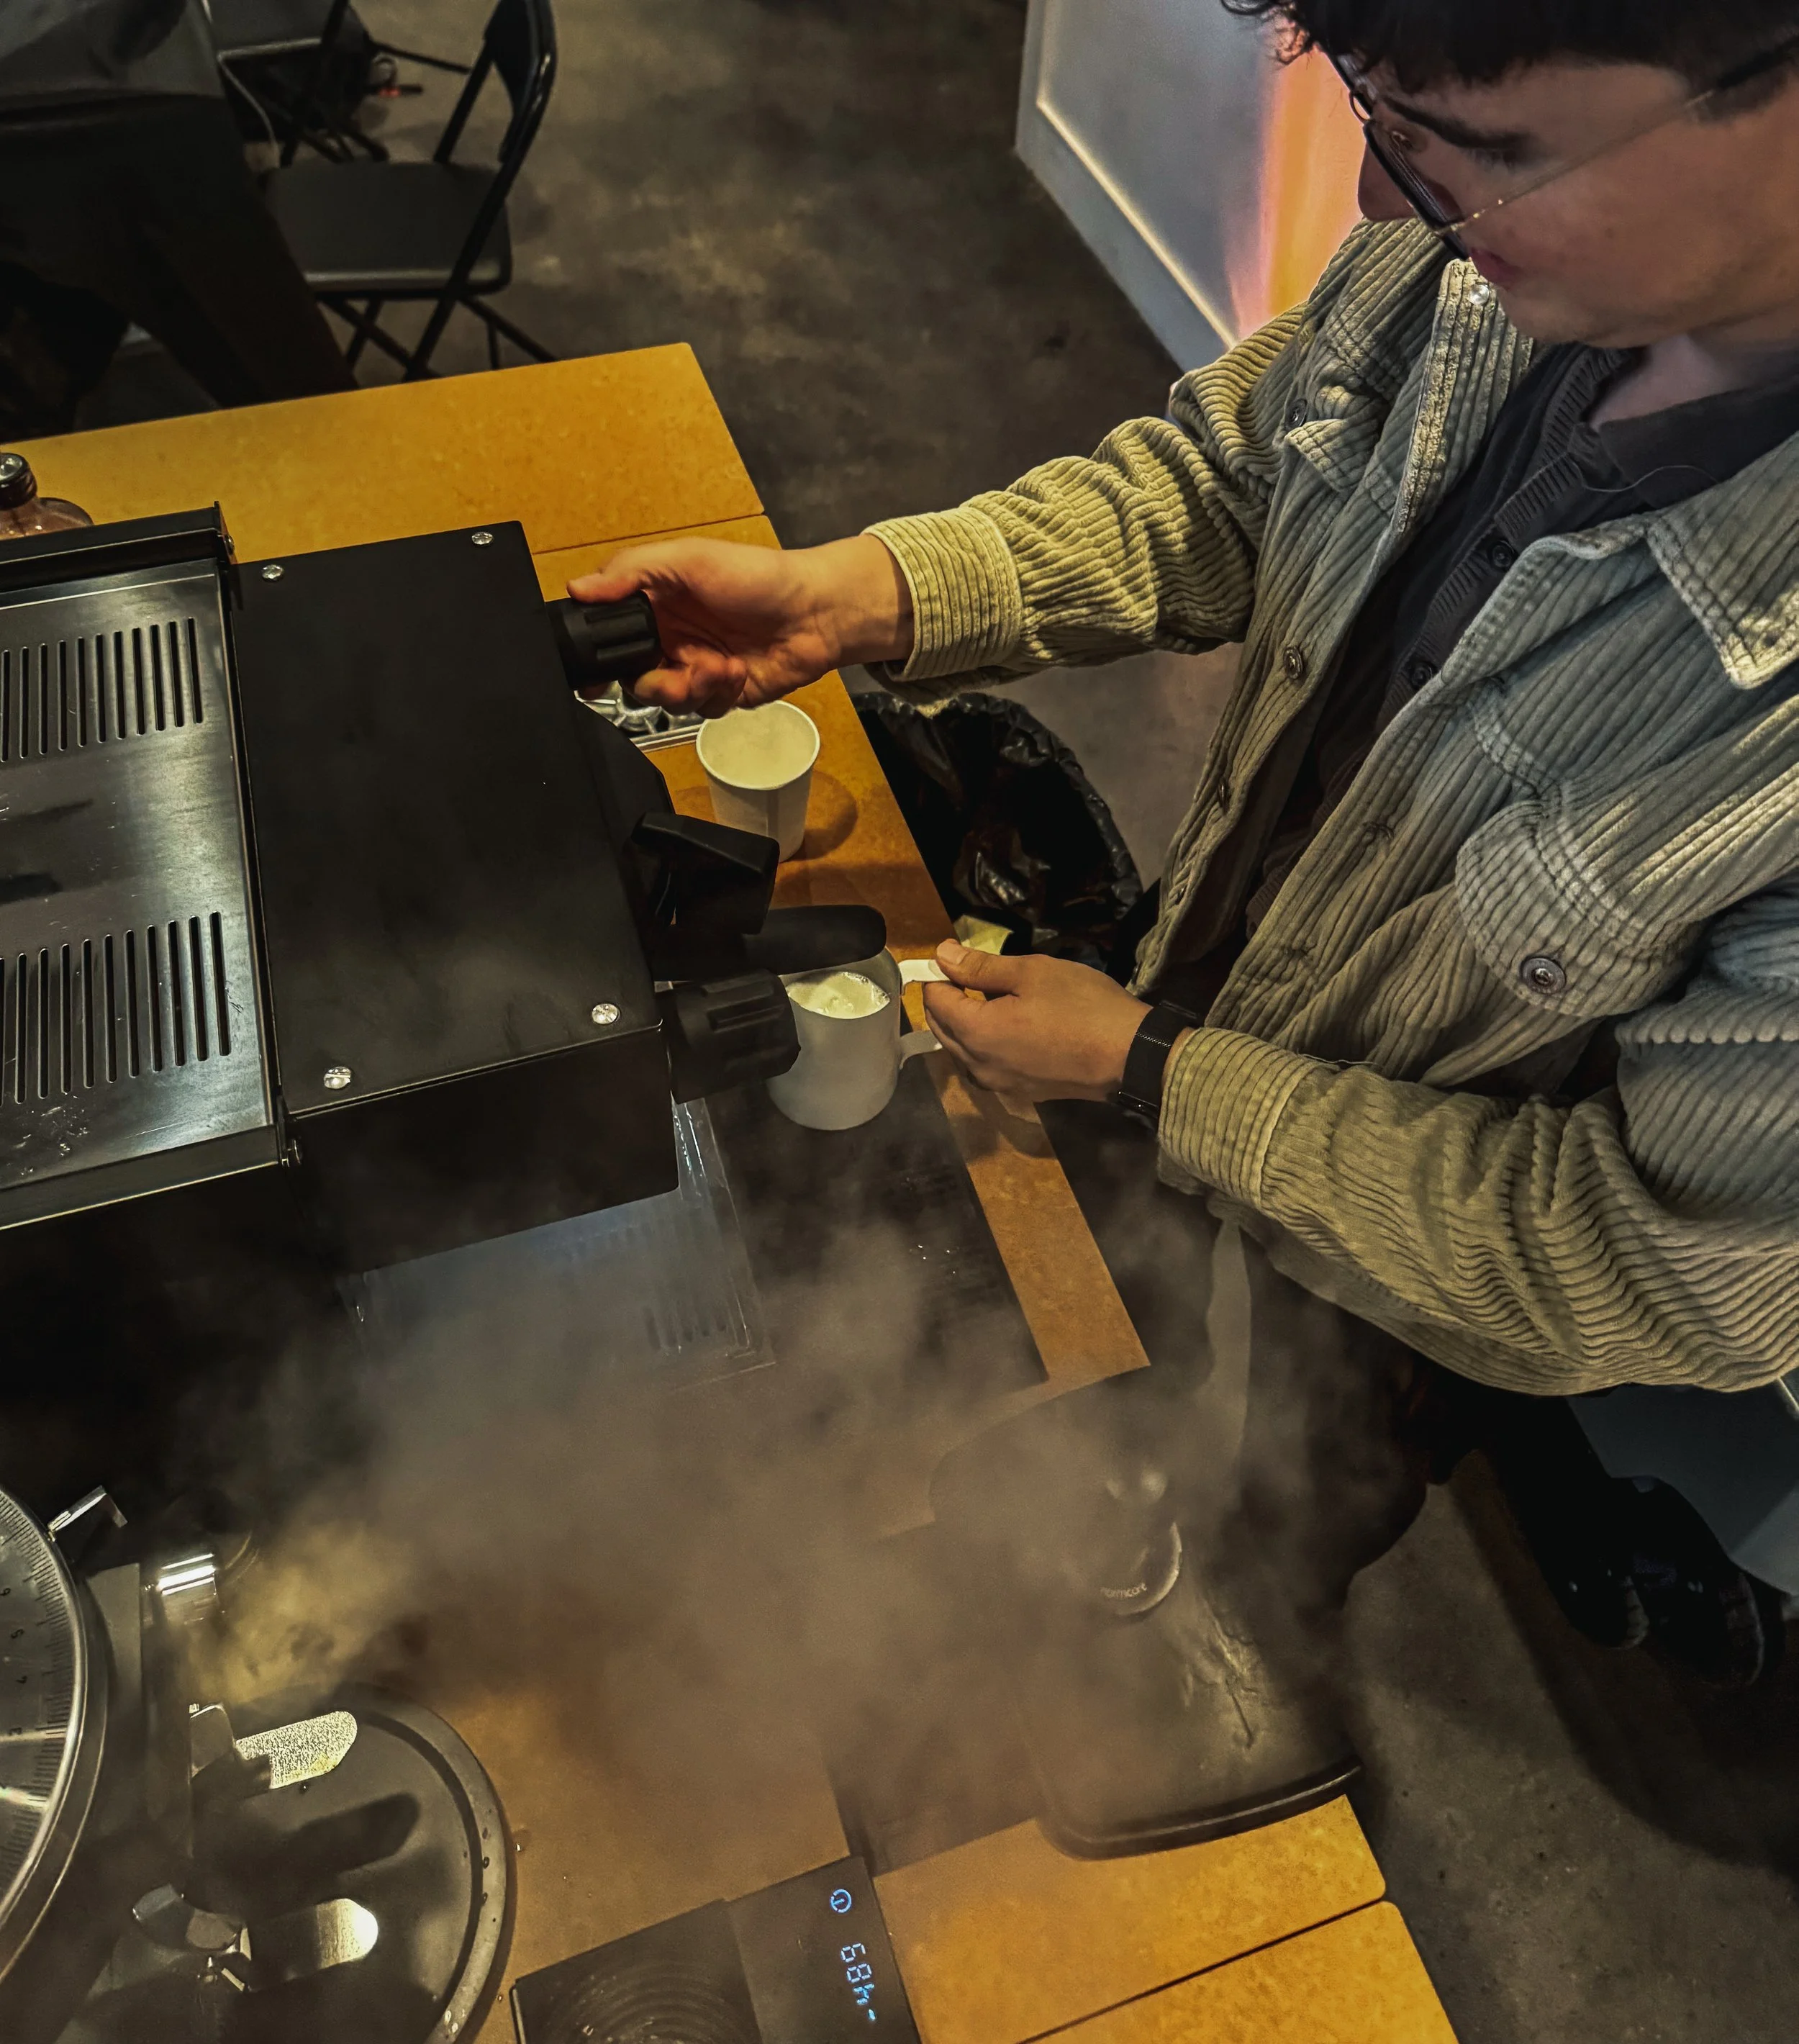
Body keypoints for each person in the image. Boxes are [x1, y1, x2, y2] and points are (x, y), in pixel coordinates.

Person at [576, 1, 1799, 1674]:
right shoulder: (1464, 277)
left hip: (1375, 1306)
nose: (1377, 211)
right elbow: (1227, 482)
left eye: (1489, 159)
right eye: (1373, 117)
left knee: (1242, 1562)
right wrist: (859, 593)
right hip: (1180, 1025)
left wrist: (1158, 1073)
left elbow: (1666, 1264)